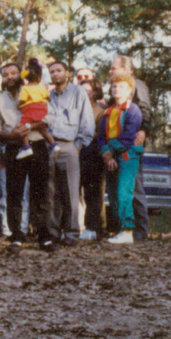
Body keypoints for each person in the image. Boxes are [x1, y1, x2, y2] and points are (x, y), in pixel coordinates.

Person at [0, 62, 57, 253]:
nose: (10, 77)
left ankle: (44, 236)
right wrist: (11, 136)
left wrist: (30, 127)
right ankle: (17, 236)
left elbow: (50, 117)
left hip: (37, 145)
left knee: (41, 192)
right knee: (14, 193)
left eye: (13, 73)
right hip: (13, 148)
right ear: (1, 79)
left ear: (21, 75)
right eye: (5, 75)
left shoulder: (34, 90)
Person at [47, 61, 96, 246]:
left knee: (70, 191)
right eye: (52, 72)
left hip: (70, 145)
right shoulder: (48, 96)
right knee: (51, 192)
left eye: (59, 70)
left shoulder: (78, 92)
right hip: (50, 146)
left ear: (67, 72)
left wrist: (78, 145)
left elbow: (87, 121)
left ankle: (72, 232)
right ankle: (53, 232)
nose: (55, 74)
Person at [108, 55, 151, 241]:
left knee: (134, 187)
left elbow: (145, 109)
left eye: (113, 68)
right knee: (117, 189)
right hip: (114, 144)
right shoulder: (113, 88)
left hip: (131, 144)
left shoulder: (137, 85)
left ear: (126, 70)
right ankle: (123, 229)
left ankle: (141, 231)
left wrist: (143, 130)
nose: (110, 71)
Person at [98, 74, 143, 245]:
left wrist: (110, 150)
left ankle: (127, 230)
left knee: (124, 192)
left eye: (121, 86)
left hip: (127, 156)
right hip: (111, 157)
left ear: (130, 90)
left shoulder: (133, 110)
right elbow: (101, 137)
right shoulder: (107, 112)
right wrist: (106, 153)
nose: (117, 89)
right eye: (114, 86)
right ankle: (119, 230)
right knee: (114, 194)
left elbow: (128, 137)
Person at [79, 79, 107, 240]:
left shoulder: (100, 111)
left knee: (93, 192)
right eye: (81, 90)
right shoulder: (77, 108)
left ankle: (93, 227)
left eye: (87, 90)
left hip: (93, 153)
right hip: (77, 152)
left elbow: (101, 133)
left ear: (95, 92)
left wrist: (85, 135)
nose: (84, 93)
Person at [14, 59, 56, 160]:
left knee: (23, 127)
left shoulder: (25, 88)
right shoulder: (41, 88)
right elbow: (49, 98)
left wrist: (18, 106)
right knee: (43, 129)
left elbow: (22, 100)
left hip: (30, 110)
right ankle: (53, 144)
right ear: (39, 77)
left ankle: (26, 147)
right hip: (42, 110)